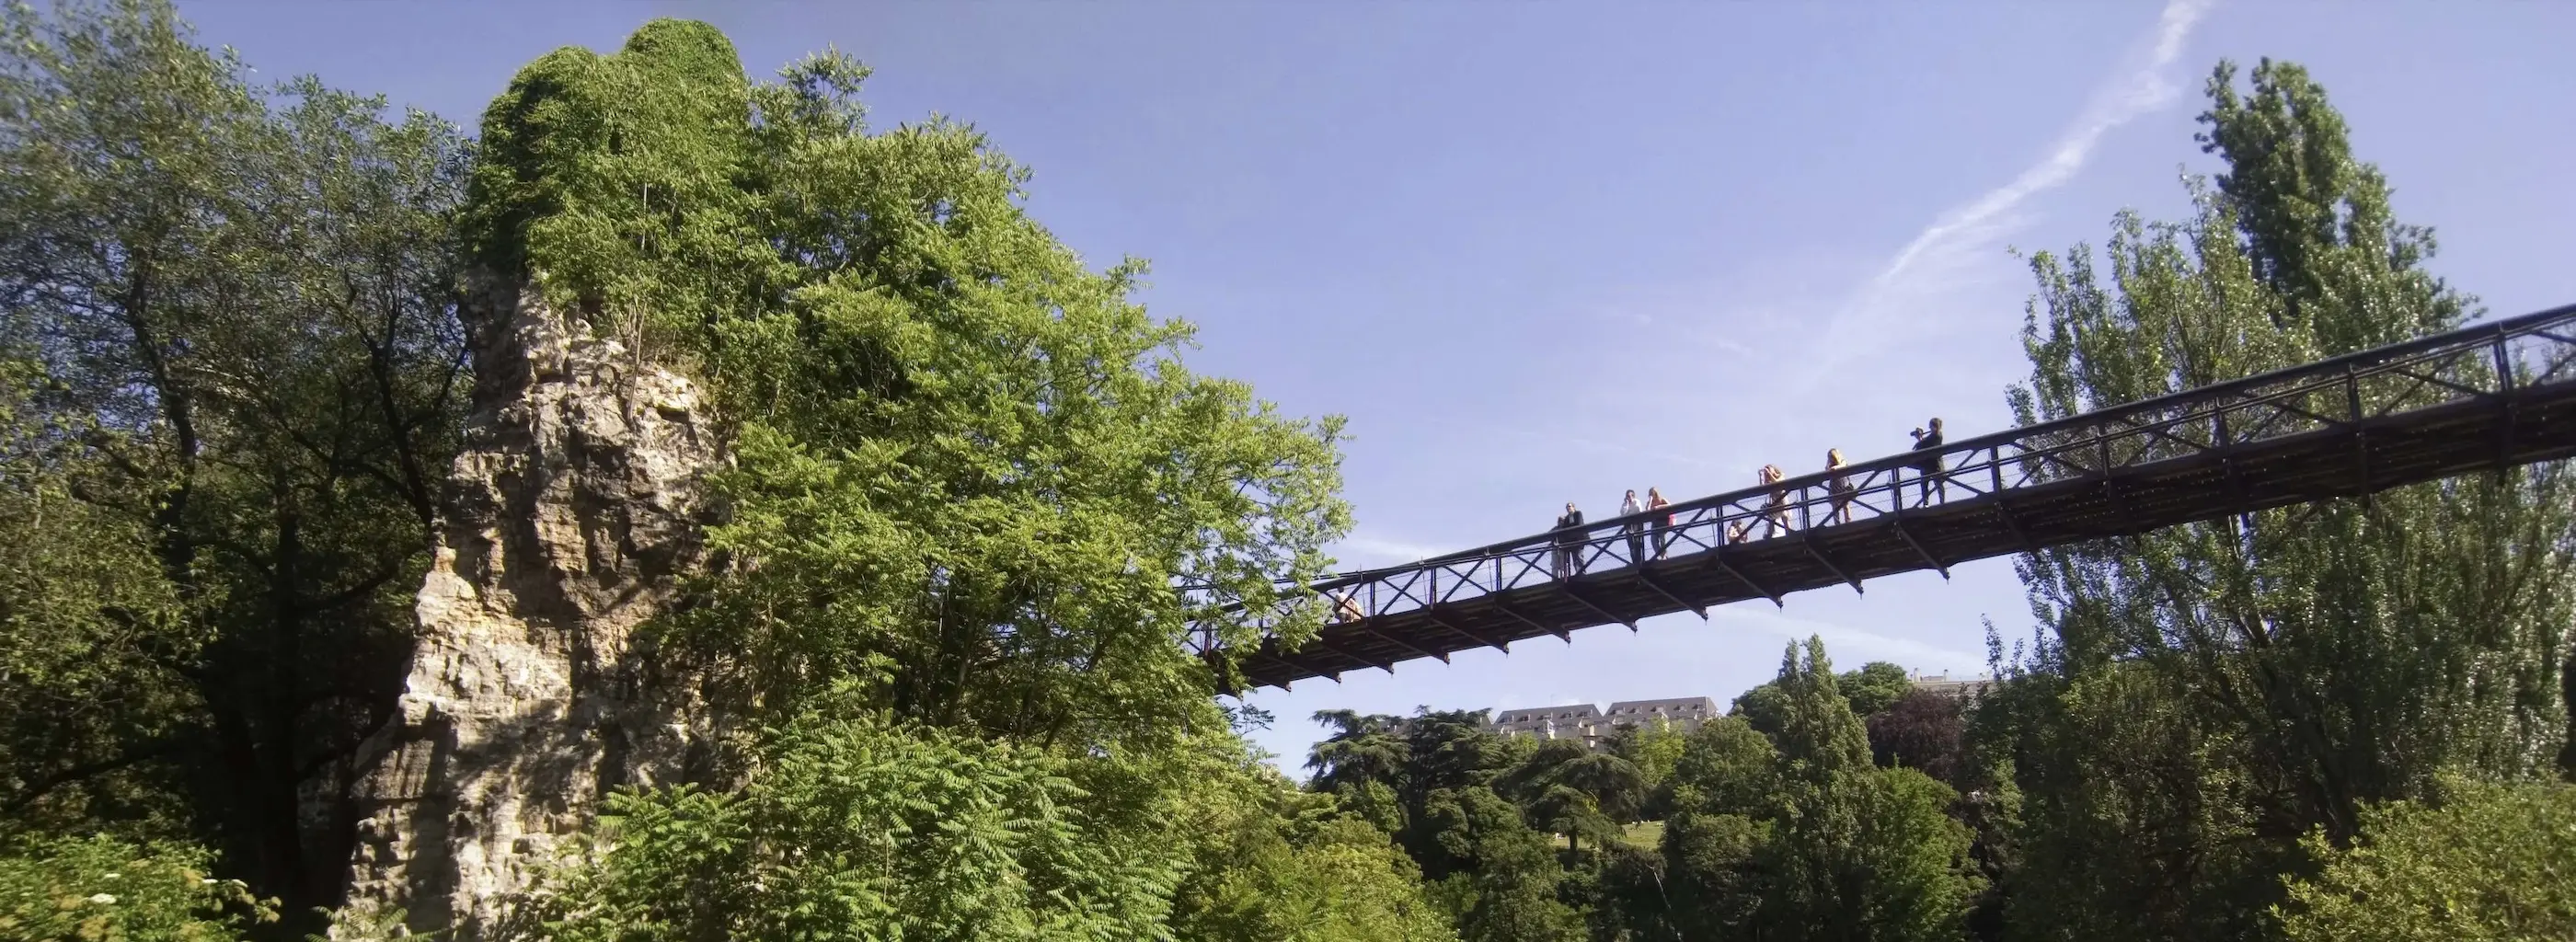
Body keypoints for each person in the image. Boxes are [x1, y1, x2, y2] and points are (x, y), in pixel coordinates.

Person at [1909, 417, 1947, 506]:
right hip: (1927, 465)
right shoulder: (1933, 436)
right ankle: (1926, 504)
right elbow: (1924, 443)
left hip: (1934, 466)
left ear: (1936, 427)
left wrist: (1920, 438)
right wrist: (1920, 438)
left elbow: (1926, 445)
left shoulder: (1937, 436)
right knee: (1924, 484)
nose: (1930, 428)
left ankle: (1942, 503)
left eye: (1931, 426)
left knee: (1938, 484)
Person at [1552, 502, 1586, 579]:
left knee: (1579, 557)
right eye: (1567, 507)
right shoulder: (1567, 518)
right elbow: (1565, 529)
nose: (1568, 508)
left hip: (1579, 540)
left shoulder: (1578, 513)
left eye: (1570, 506)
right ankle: (1579, 573)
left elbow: (1580, 524)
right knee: (1575, 559)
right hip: (1572, 542)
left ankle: (1582, 573)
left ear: (1574, 507)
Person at [1760, 465, 1791, 537]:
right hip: (1774, 502)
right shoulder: (1769, 480)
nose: (1767, 472)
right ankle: (1770, 534)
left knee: (1785, 517)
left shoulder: (1781, 475)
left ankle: (1789, 533)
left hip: (1782, 499)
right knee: (1771, 518)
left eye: (1769, 469)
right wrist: (1761, 476)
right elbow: (1762, 488)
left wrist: (1769, 474)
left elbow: (1777, 483)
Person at [1619, 488, 1647, 563]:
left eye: (1630, 496)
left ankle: (1639, 561)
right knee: (1631, 546)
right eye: (1627, 496)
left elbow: (1637, 510)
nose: (1629, 497)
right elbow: (1623, 514)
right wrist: (1627, 504)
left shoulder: (1637, 501)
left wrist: (1628, 514)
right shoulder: (1625, 504)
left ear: (1633, 496)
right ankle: (1634, 562)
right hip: (1628, 527)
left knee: (1637, 544)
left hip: (1637, 525)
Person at [1826, 448, 1854, 524]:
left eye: (1831, 457)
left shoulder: (1843, 461)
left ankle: (1848, 521)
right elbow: (1826, 469)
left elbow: (1841, 466)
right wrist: (1828, 463)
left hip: (1844, 486)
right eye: (1829, 457)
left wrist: (1835, 468)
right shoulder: (1830, 465)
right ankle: (1837, 523)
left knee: (1846, 505)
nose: (1830, 459)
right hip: (1834, 487)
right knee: (1835, 507)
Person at [1646, 487, 1673, 558]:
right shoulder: (1650, 502)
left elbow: (1669, 505)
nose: (1651, 494)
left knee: (1662, 539)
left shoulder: (1661, 499)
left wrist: (1658, 507)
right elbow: (1647, 510)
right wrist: (1650, 501)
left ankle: (1664, 555)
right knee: (1653, 540)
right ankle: (1662, 555)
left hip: (1663, 521)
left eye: (1652, 492)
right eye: (1650, 493)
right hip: (1655, 522)